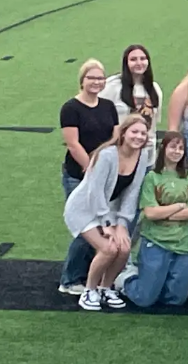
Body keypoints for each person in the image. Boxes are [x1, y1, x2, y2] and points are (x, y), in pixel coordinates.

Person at [63, 114, 150, 311]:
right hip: (84, 210)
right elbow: (95, 192)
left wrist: (121, 224)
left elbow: (132, 192)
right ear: (123, 133)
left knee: (124, 248)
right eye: (134, 132)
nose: (138, 137)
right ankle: (89, 290)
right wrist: (107, 225)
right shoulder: (107, 155)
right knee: (108, 248)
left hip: (109, 211)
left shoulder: (142, 156)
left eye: (143, 133)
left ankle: (105, 288)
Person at [118, 131, 188, 307]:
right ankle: (125, 278)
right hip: (156, 241)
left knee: (176, 299)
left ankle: (154, 281)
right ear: (163, 149)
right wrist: (179, 206)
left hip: (183, 242)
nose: (177, 151)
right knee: (144, 299)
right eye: (173, 147)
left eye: (181, 148)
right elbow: (150, 214)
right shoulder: (152, 177)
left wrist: (163, 211)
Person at [58, 59, 119, 296]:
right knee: (85, 227)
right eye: (91, 78)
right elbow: (73, 144)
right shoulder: (71, 108)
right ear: (82, 80)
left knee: (98, 227)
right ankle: (70, 278)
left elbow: (114, 138)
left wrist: (105, 167)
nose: (96, 82)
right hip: (78, 175)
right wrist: (92, 168)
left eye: (100, 78)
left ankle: (90, 274)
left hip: (102, 178)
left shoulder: (107, 106)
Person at [99, 44, 163, 161]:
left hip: (146, 157)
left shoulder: (154, 89)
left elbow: (153, 126)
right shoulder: (112, 87)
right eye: (133, 59)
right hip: (118, 155)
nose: (139, 63)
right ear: (126, 63)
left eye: (143, 59)